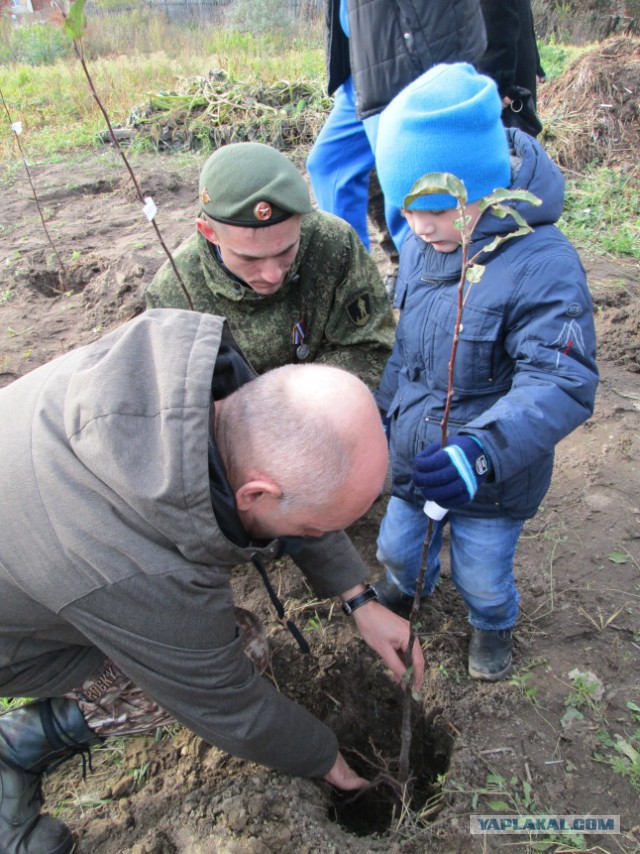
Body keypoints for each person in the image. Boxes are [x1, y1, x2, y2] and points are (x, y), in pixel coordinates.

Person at [0, 309, 424, 854]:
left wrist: (358, 597)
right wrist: (324, 758)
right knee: (233, 650)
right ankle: (19, 750)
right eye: (312, 528)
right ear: (255, 496)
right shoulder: (141, 571)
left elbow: (294, 482)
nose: (317, 535)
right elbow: (226, 704)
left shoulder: (196, 383)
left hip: (30, 540)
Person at [372, 63, 598, 681]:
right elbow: (408, 355)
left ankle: (492, 623)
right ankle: (406, 585)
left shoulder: (543, 263)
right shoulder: (425, 247)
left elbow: (560, 379)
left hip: (492, 476)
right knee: (397, 545)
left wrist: (481, 453)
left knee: (482, 570)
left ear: (485, 187)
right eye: (407, 208)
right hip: (418, 457)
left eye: (439, 209)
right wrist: (380, 415)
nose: (418, 227)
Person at [145, 142, 396, 389]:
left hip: (329, 410)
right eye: (249, 259)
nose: (272, 274)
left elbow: (371, 348)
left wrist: (295, 396)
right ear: (209, 232)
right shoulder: (174, 293)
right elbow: (174, 400)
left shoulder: (334, 243)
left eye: (286, 251)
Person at [305, 0, 487, 257]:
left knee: (409, 191)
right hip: (359, 61)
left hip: (405, 54)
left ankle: (426, 284)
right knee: (329, 165)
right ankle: (350, 279)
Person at [478, 0, 546, 136]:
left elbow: (496, 10)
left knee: (513, 146)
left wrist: (498, 82)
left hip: (500, 79)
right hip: (508, 65)